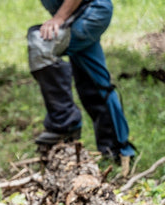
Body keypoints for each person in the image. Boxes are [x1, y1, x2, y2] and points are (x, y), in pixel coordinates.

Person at [27, 0, 135, 173]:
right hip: (81, 13)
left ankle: (64, 121)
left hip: (90, 11)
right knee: (94, 81)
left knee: (41, 44)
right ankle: (116, 148)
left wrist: (59, 18)